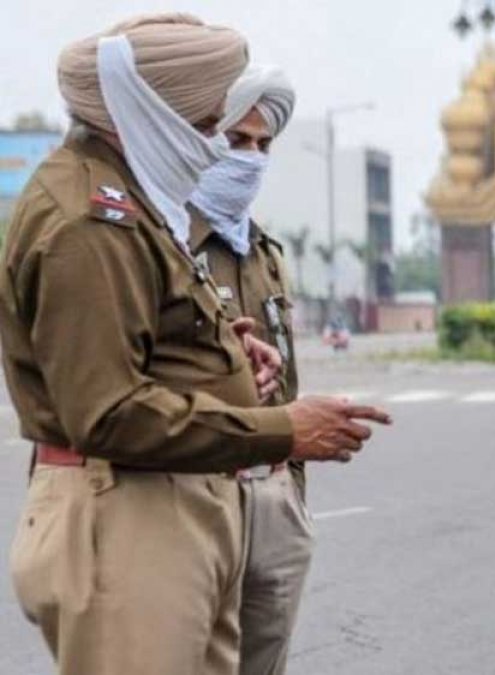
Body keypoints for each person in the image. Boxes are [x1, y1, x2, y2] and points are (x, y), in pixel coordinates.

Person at [1, 15, 390, 675]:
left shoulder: (134, 201)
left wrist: (225, 350)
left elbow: (144, 338)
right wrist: (282, 430)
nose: (218, 151)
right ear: (150, 114)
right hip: (128, 519)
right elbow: (108, 410)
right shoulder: (92, 220)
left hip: (169, 510)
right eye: (210, 128)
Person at [189, 64, 310, 675]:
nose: (252, 158)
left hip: (275, 495)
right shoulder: (164, 242)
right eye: (238, 141)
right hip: (198, 494)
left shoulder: (263, 252)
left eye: (264, 144)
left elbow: (287, 383)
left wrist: (292, 487)